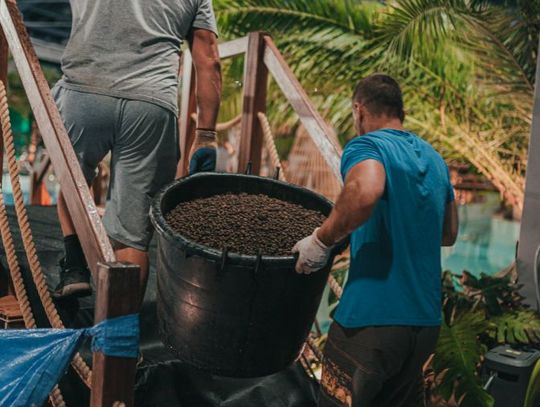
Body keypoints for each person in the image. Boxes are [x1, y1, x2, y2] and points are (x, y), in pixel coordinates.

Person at [293, 74, 458, 407]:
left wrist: (320, 241)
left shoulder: (368, 145)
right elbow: (448, 233)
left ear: (359, 109)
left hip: (370, 321)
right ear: (400, 110)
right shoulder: (435, 159)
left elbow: (365, 191)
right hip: (424, 325)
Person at [52, 0, 222, 300]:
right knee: (132, 234)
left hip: (84, 92)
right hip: (151, 104)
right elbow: (208, 58)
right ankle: (122, 327)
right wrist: (206, 135)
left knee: (74, 181)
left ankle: (75, 266)